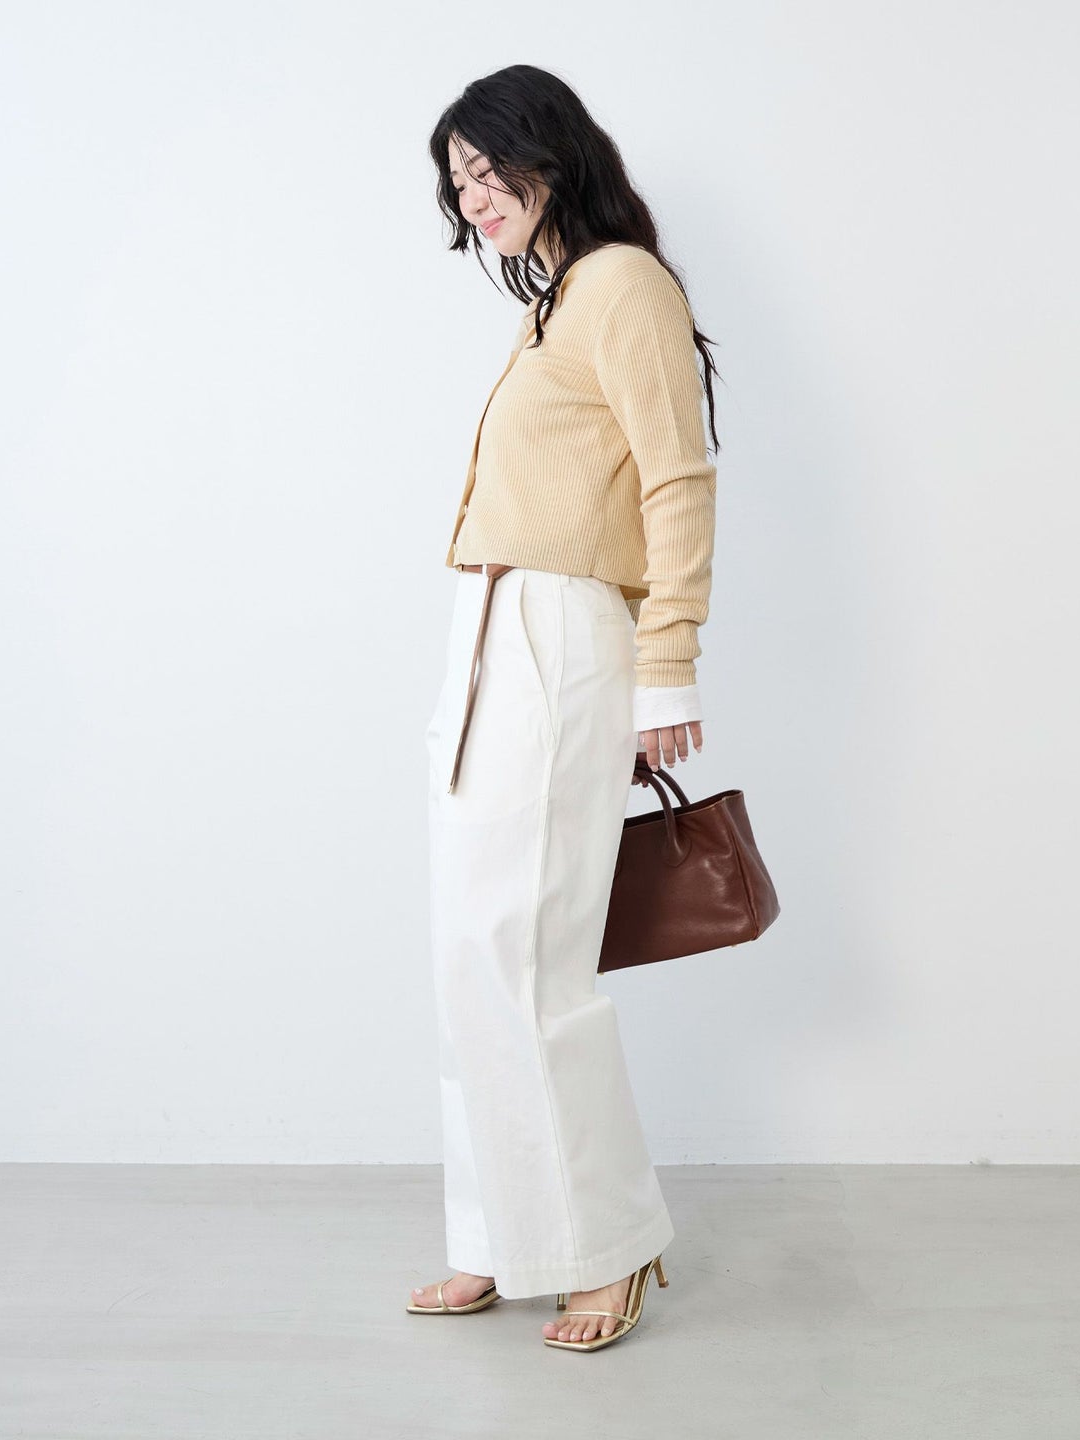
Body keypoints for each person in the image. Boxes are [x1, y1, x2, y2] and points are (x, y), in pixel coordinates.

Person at [408, 64, 719, 1353]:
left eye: (492, 168)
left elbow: (678, 478)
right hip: (489, 631)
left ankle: (608, 1244)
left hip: (561, 634)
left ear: (552, 152)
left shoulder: (624, 285)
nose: (477, 197)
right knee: (468, 952)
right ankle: (500, 1234)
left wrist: (668, 664)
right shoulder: (556, 304)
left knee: (528, 951)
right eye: (460, 181)